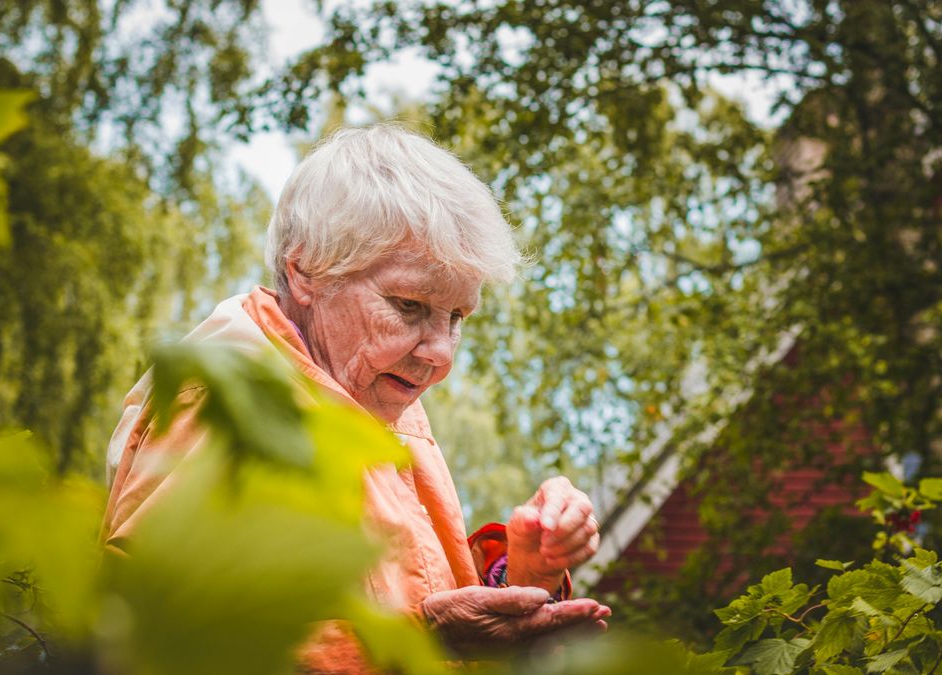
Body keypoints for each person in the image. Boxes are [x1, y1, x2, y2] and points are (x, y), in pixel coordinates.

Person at [101, 125, 610, 671]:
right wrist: (422, 639)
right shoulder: (233, 405)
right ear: (307, 272)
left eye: (457, 317)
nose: (440, 353)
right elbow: (144, 640)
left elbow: (404, 588)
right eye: (410, 306)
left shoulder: (374, 392)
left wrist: (523, 576)